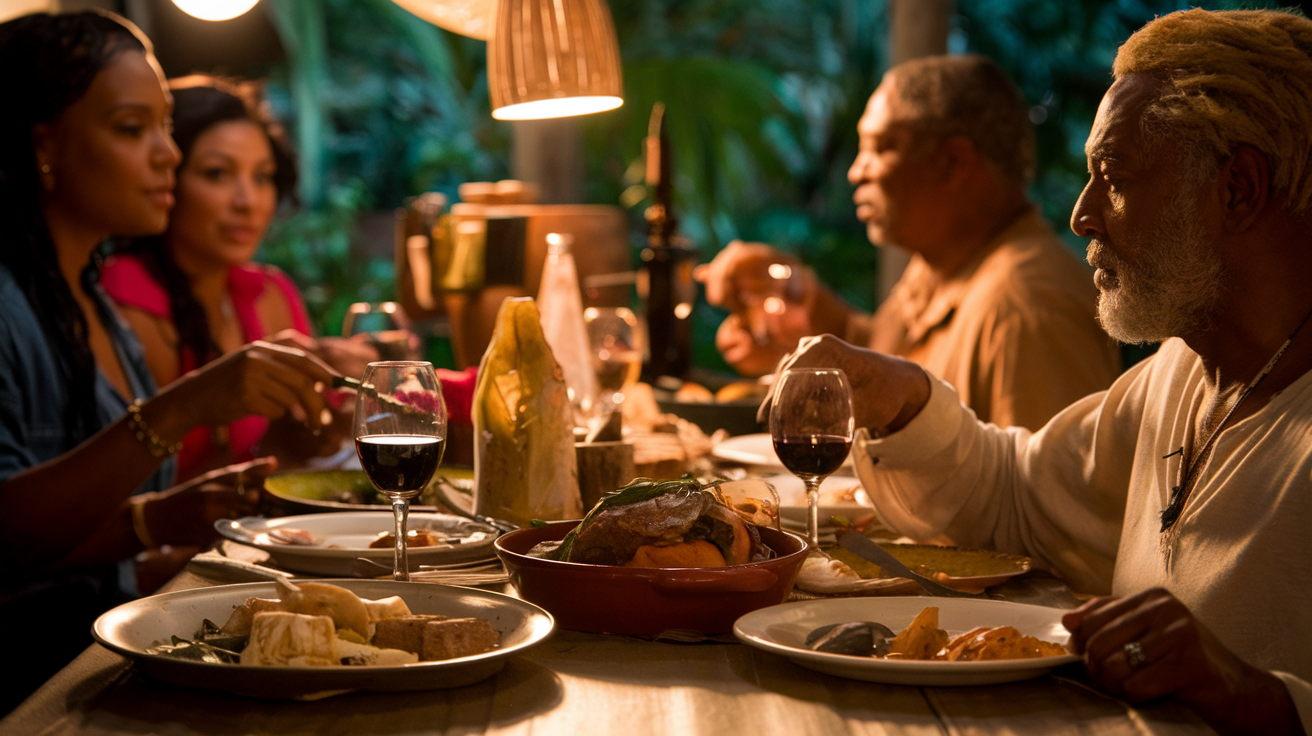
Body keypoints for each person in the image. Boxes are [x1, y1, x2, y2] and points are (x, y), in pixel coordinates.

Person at [765, 8, 1312, 733]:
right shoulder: (1182, 373)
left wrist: (1254, 695)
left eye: (1112, 177)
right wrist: (900, 397)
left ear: (1237, 188)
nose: (1082, 215)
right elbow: (1022, 496)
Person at [0, 10, 339, 711]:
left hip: (101, 666)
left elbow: (70, 536)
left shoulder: (88, 303)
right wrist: (181, 406)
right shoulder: (15, 305)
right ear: (45, 144)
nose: (169, 156)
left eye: (165, 128)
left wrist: (157, 518)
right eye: (133, 129)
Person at [698, 55, 1120, 431]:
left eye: (881, 147)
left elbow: (1047, 504)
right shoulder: (943, 264)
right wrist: (808, 317)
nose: (856, 172)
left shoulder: (1027, 307)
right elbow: (891, 371)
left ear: (953, 163)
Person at [102, 76, 375, 481]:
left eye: (262, 177)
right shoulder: (123, 303)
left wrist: (325, 420)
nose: (248, 202)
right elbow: (132, 495)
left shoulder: (269, 293)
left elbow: (296, 451)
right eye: (217, 174)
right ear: (165, 175)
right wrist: (275, 449)